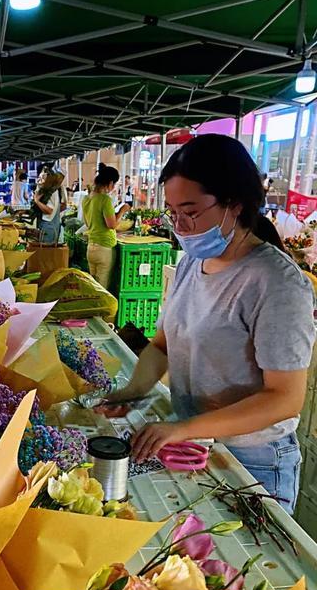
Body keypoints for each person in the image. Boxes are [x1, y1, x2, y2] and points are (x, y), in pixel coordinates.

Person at [101, 134, 315, 514]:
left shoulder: (276, 283)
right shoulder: (189, 264)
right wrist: (129, 391)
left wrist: (184, 428)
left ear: (234, 204)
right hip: (195, 444)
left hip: (253, 458)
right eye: (171, 211)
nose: (180, 226)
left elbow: (285, 397)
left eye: (191, 211)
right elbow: (163, 346)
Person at [83, 163, 130, 290]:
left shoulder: (87, 199)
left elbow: (89, 223)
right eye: (114, 184)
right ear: (110, 183)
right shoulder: (105, 199)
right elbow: (112, 225)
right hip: (104, 248)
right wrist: (122, 211)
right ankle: (99, 310)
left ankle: (92, 309)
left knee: (93, 286)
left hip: (91, 247)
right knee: (102, 289)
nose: (114, 187)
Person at [33, 165, 62, 244]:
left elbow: (49, 211)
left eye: (42, 178)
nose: (39, 180)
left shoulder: (52, 192)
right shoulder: (46, 190)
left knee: (46, 253)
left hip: (49, 227)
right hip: (45, 225)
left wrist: (37, 201)